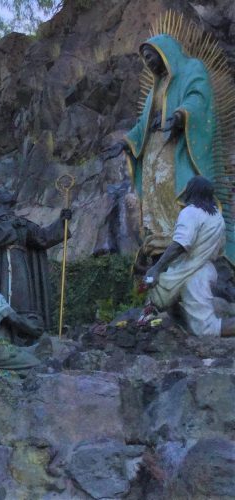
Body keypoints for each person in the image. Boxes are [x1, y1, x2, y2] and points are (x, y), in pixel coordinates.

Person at [103, 34, 229, 260]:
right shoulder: (155, 89)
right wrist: (124, 142)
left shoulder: (192, 69)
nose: (149, 62)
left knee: (171, 185)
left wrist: (180, 115)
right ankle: (161, 235)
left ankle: (179, 234)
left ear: (165, 51)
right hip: (153, 148)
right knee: (154, 191)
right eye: (145, 59)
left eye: (151, 56)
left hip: (176, 145)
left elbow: (198, 97)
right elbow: (142, 125)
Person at [145, 176, 235, 337]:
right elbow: (219, 250)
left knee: (207, 330)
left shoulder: (190, 212)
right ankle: (182, 328)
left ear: (191, 191)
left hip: (194, 275)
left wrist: (157, 268)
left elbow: (180, 244)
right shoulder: (217, 218)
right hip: (204, 269)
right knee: (161, 297)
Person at [0, 188, 71, 330]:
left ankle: (25, 330)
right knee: (2, 296)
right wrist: (10, 228)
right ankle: (3, 328)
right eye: (4, 191)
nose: (9, 192)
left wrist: (61, 221)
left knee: (23, 296)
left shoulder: (21, 221)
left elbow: (42, 237)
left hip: (21, 263)